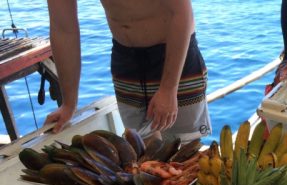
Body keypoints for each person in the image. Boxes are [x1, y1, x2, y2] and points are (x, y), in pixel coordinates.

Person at [45, 0, 211, 140]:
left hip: (175, 56)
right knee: (143, 153)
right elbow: (63, 29)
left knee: (186, 155)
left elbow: (181, 13)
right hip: (126, 62)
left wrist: (169, 88)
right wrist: (69, 104)